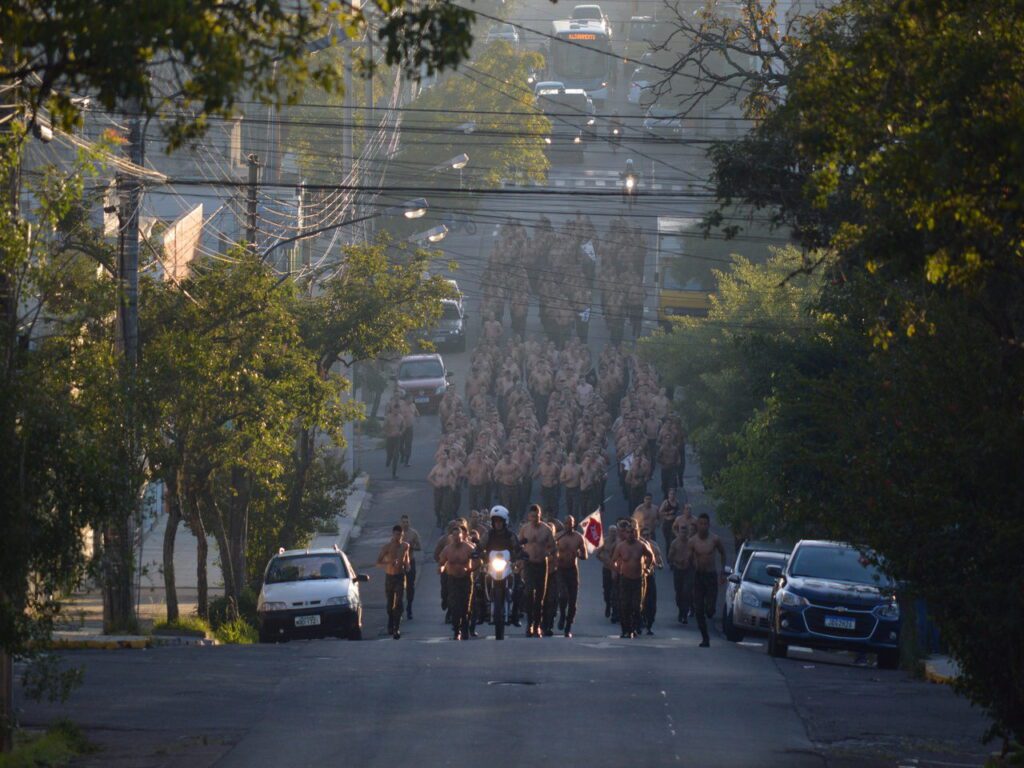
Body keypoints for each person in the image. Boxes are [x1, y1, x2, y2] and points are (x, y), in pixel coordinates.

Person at [684, 512, 728, 647]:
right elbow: (688, 559)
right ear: (697, 525)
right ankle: (705, 638)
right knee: (698, 609)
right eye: (701, 524)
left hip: (711, 576)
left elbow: (723, 553)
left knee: (710, 609)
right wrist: (690, 565)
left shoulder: (715, 539)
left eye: (705, 524)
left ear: (708, 525)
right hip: (698, 576)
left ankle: (711, 610)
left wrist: (722, 572)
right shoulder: (692, 541)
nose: (703, 526)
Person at [519, 504, 555, 637]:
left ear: (541, 516)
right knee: (529, 593)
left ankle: (537, 626)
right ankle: (529, 624)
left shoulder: (546, 530)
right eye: (533, 516)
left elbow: (553, 547)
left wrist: (547, 553)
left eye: (537, 516)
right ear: (529, 516)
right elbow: (519, 545)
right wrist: (520, 560)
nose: (535, 518)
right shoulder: (524, 529)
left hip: (541, 564)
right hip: (529, 564)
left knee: (540, 596)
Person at [612, 519, 652, 639]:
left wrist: (647, 568)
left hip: (637, 579)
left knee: (636, 606)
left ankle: (634, 627)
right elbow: (613, 560)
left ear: (636, 533)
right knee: (625, 606)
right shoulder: (620, 546)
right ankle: (626, 630)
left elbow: (651, 556)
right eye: (628, 532)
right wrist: (616, 571)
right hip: (625, 579)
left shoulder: (641, 545)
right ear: (626, 533)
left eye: (632, 532)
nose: (630, 535)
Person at [438, 525, 476, 640]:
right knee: (454, 605)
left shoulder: (469, 548)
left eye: (458, 535)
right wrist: (441, 568)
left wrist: (471, 569)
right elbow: (441, 562)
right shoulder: (447, 549)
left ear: (462, 535)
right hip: (452, 579)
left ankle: (465, 629)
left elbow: (478, 561)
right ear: (451, 536)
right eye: (454, 535)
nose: (456, 538)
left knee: (465, 605)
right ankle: (456, 629)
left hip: (465, 579)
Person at [555, 514, 588, 637]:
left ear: (574, 524)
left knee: (573, 602)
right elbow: (550, 551)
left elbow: (585, 556)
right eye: (566, 523)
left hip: (572, 570)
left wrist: (579, 554)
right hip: (561, 569)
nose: (568, 525)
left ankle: (568, 628)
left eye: (570, 523)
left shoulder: (579, 538)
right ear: (564, 524)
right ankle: (562, 615)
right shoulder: (558, 537)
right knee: (563, 595)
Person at [376, 525, 411, 639]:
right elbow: (378, 562)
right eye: (396, 535)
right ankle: (390, 622)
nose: (398, 537)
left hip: (400, 577)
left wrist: (407, 565)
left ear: (402, 535)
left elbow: (406, 559)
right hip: (390, 577)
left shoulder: (405, 546)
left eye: (400, 535)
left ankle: (397, 627)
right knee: (389, 604)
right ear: (392, 534)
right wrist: (388, 563)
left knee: (399, 601)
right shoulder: (387, 547)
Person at [641, 527, 664, 635]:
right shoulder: (637, 546)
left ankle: (649, 625)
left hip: (649, 577)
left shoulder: (654, 547)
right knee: (639, 602)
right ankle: (639, 623)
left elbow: (660, 562)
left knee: (651, 604)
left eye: (648, 535)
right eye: (644, 535)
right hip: (639, 578)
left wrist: (658, 565)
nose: (646, 537)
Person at [668, 524, 692, 624]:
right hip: (678, 570)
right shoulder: (675, 543)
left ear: (687, 533)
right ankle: (681, 611)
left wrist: (689, 560)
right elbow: (670, 557)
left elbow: (695, 555)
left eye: (685, 532)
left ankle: (685, 613)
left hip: (688, 570)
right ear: (679, 532)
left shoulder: (691, 543)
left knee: (686, 591)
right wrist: (677, 560)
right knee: (679, 592)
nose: (683, 534)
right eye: (681, 532)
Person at [399, 514, 422, 620]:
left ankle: (409, 608)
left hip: (410, 561)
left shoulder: (413, 533)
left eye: (407, 522)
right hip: (399, 563)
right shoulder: (397, 534)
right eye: (403, 522)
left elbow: (419, 547)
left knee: (410, 586)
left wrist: (411, 546)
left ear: (409, 522)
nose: (405, 524)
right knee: (398, 586)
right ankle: (399, 609)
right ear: (400, 523)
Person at [597, 523, 619, 622]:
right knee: (607, 590)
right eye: (612, 532)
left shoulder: (619, 542)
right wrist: (604, 559)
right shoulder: (604, 541)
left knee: (615, 591)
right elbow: (598, 554)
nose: (613, 533)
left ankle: (615, 612)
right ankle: (608, 605)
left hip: (615, 569)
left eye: (615, 532)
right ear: (609, 532)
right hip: (606, 568)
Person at [383, 408, 404, 478]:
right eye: (395, 410)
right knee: (390, 453)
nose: (396, 411)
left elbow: (404, 426)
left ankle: (394, 473)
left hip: (397, 438)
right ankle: (388, 460)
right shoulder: (388, 417)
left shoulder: (401, 417)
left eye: (397, 410)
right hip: (389, 438)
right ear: (392, 410)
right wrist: (388, 433)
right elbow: (384, 427)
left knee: (396, 455)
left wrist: (401, 432)